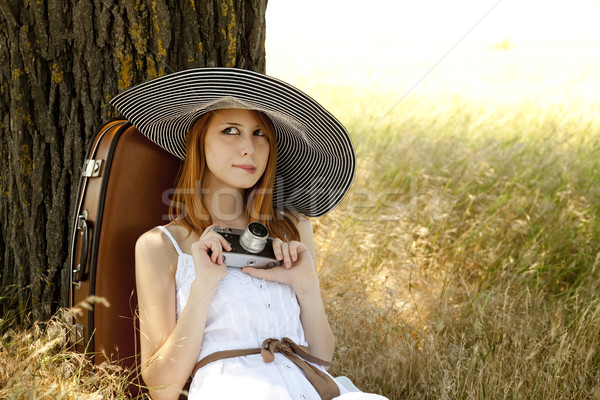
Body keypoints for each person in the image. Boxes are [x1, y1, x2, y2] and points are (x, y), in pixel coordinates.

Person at [110, 68, 388, 400]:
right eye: (230, 131)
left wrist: (306, 284)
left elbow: (322, 358)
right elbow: (162, 388)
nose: (249, 149)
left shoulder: (292, 227)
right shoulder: (161, 246)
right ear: (199, 141)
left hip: (308, 389)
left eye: (260, 134)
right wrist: (205, 284)